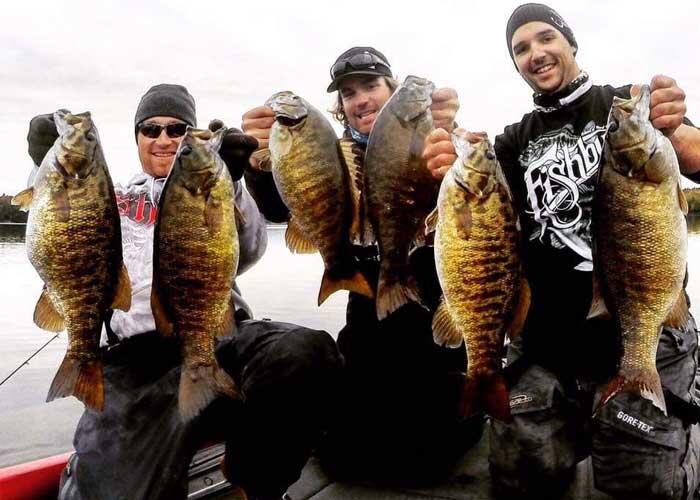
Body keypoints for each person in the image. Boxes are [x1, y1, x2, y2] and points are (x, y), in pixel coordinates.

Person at [423, 4, 700, 499]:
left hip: (643, 324)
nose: (535, 53)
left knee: (645, 483)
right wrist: (439, 143)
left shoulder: (626, 108)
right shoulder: (512, 141)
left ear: (571, 44)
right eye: (520, 49)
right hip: (546, 337)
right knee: (523, 472)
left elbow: (695, 159)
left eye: (545, 38)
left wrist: (675, 128)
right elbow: (476, 214)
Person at [26, 83, 343, 500]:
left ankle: (251, 485)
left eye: (176, 129)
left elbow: (248, 250)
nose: (163, 139)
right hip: (132, 363)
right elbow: (59, 230)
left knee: (305, 353)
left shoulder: (212, 186)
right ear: (137, 138)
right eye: (150, 129)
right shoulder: (110, 196)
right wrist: (41, 164)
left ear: (190, 134)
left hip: (215, 337)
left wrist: (230, 180)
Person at [241, 46, 484, 485]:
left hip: (433, 343)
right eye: (349, 93)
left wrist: (451, 149)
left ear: (393, 91)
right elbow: (281, 208)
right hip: (366, 340)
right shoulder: (329, 154)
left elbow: (480, 205)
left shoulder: (437, 142)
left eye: (371, 86)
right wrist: (259, 165)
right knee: (346, 454)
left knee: (427, 456)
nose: (360, 100)